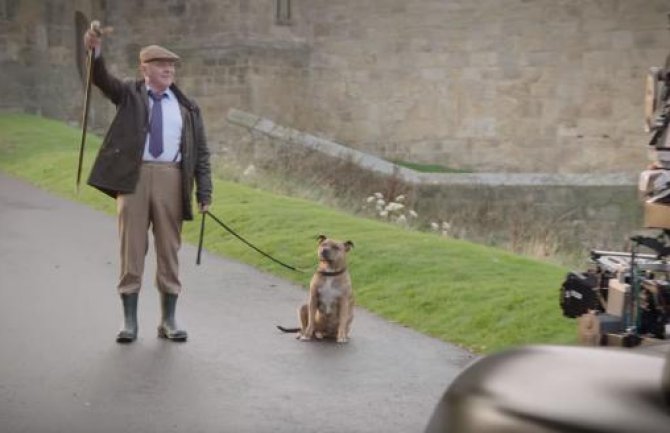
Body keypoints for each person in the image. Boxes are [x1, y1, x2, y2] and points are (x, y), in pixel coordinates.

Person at [83, 28, 212, 343]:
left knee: (169, 249)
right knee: (132, 249)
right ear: (144, 69)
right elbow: (101, 79)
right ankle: (130, 322)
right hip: (134, 178)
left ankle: (168, 320)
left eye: (171, 65)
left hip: (172, 176)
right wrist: (95, 52)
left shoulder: (187, 107)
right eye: (160, 64)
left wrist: (204, 193)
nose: (168, 69)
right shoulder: (129, 94)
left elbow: (202, 154)